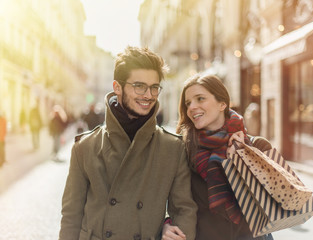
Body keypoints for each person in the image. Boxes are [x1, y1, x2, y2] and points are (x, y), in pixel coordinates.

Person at [59, 46, 197, 240]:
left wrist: (172, 230)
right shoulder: (85, 147)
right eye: (139, 86)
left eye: (154, 87)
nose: (148, 95)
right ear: (117, 87)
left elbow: (184, 211)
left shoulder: (173, 148)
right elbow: (71, 218)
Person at [163, 74, 272, 240]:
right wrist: (166, 223)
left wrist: (241, 162)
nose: (192, 107)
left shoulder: (258, 147)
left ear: (222, 103)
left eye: (200, 99)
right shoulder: (182, 150)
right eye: (188, 103)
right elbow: (164, 198)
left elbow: (271, 205)